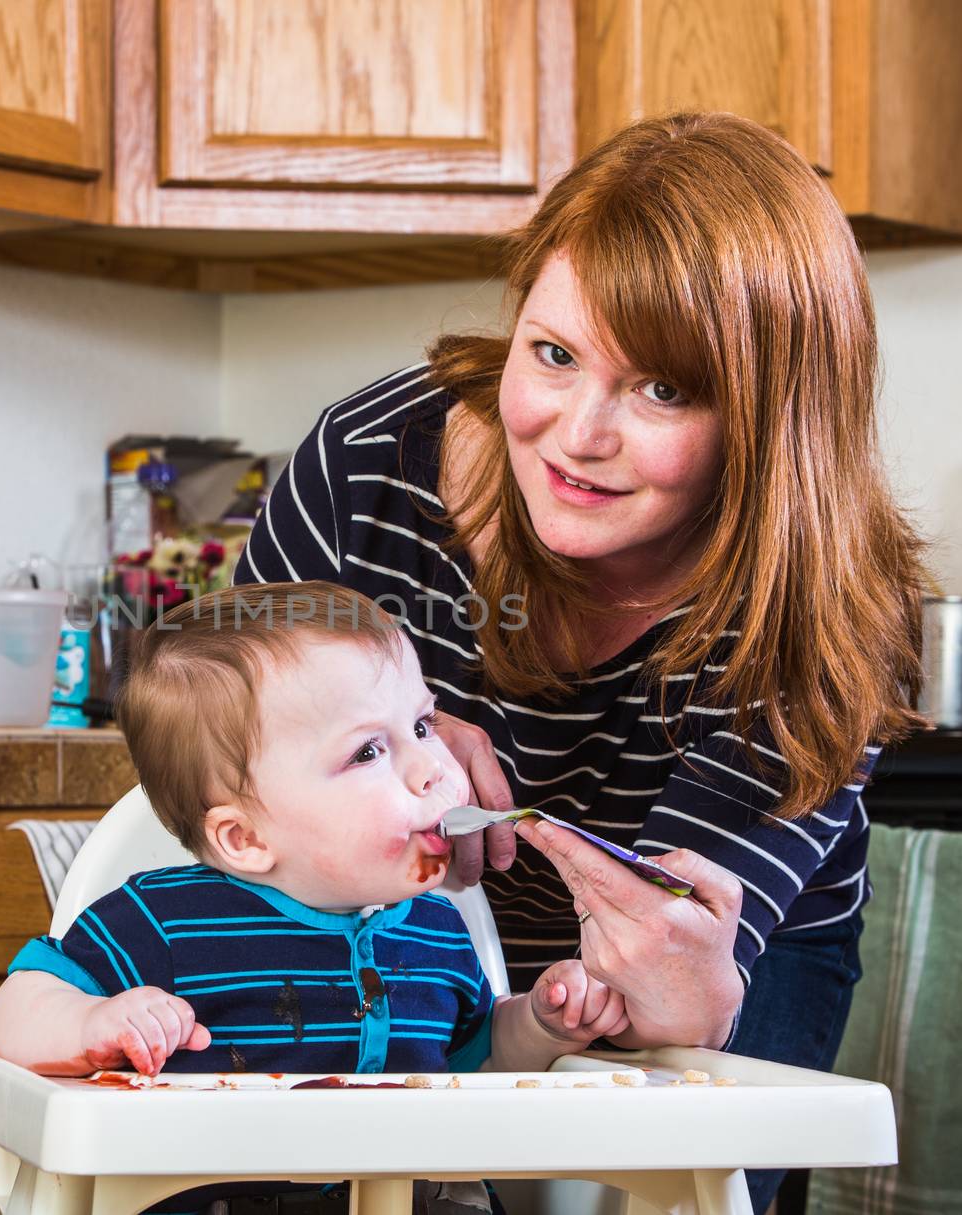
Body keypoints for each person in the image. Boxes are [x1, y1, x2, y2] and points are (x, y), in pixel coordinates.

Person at [233, 112, 927, 1214]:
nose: (577, 434)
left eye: (662, 390)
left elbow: (668, 974)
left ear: (767, 418)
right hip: (395, 925)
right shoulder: (369, 470)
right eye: (553, 355)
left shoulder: (824, 611)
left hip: (737, 956)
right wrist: (350, 720)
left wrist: (691, 991)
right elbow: (210, 727)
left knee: (666, 1178)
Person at [0, 581, 628, 1083]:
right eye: (369, 753)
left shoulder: (436, 927)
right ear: (244, 839)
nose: (433, 769)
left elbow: (472, 1064)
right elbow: (15, 1013)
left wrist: (543, 1027)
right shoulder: (163, 924)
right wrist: (92, 1023)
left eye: (423, 726)